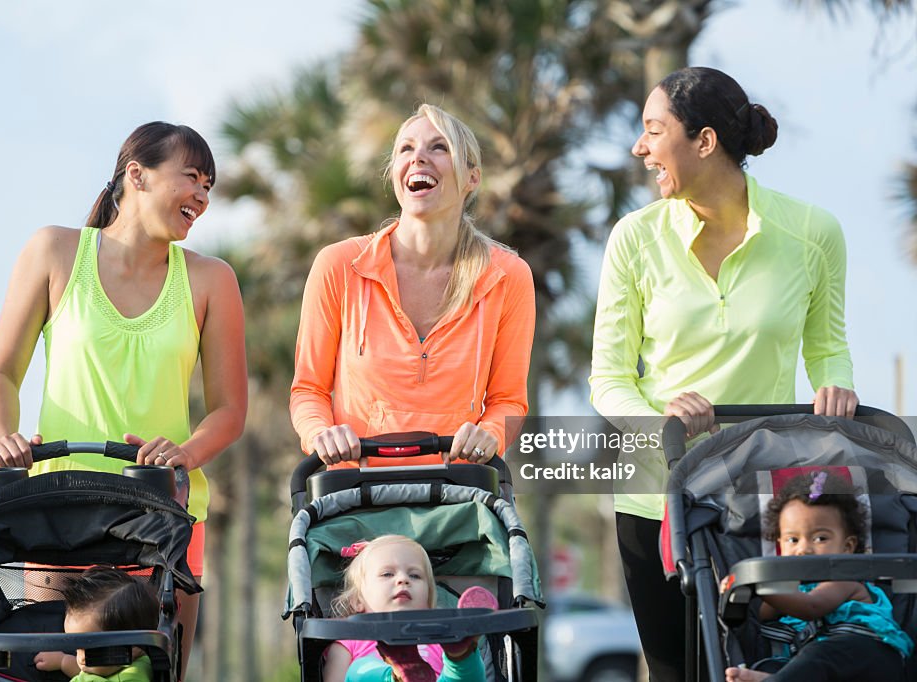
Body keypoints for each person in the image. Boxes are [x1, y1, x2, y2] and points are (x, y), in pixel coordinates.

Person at [588, 67, 858, 681]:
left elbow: (828, 348)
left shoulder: (814, 233)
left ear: (703, 141)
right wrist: (660, 424)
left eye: (654, 132)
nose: (640, 148)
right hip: (653, 497)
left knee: (754, 667)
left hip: (758, 498)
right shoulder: (635, 238)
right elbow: (607, 377)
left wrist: (836, 385)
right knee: (674, 671)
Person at [0, 121, 248, 680]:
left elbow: (229, 409)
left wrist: (187, 453)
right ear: (137, 176)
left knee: (152, 671)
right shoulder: (54, 251)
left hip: (164, 517)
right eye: (192, 177)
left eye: (210, 186)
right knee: (54, 670)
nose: (202, 195)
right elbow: (3, 372)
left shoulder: (211, 279)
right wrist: (3, 436)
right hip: (59, 511)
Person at [290, 104, 535, 467]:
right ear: (395, 174)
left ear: (472, 178)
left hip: (457, 493)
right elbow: (308, 390)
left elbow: (508, 401)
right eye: (406, 148)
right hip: (354, 492)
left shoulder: (508, 277)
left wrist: (492, 434)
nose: (419, 157)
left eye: (439, 147)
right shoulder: (339, 266)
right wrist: (320, 433)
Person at [724, 471, 912, 681]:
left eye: (820, 538)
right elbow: (764, 614)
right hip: (821, 669)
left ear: (847, 547)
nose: (804, 549)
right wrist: (740, 584)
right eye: (793, 540)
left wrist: (760, 586)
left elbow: (811, 606)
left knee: (817, 655)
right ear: (779, 545)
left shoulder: (846, 580)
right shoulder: (790, 591)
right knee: (785, 663)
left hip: (869, 658)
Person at [324, 535, 494, 682]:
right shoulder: (350, 639)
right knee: (358, 670)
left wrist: (453, 642)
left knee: (454, 671)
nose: (403, 579)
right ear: (357, 600)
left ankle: (460, 655)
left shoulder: (439, 637)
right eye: (387, 574)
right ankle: (396, 676)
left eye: (415, 575)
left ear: (428, 601)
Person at [34, 566, 159, 682]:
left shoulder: (134, 676)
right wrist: (63, 661)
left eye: (91, 650)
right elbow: (88, 673)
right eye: (77, 649)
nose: (81, 659)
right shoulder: (107, 666)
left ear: (131, 647)